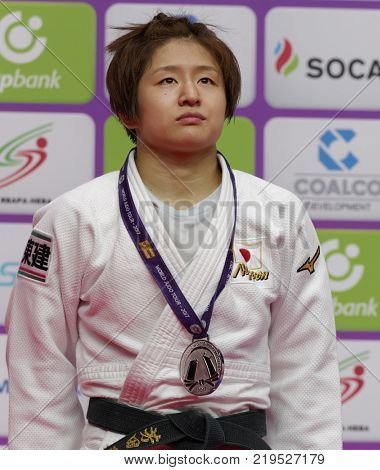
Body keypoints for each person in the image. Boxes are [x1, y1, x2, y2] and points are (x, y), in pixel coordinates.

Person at [5, 13, 342, 450]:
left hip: (239, 450)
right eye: (167, 82)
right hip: (122, 447)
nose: (190, 95)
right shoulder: (75, 217)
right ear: (127, 109)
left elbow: (306, 367)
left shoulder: (278, 214)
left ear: (228, 101)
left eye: (207, 81)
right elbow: (38, 367)